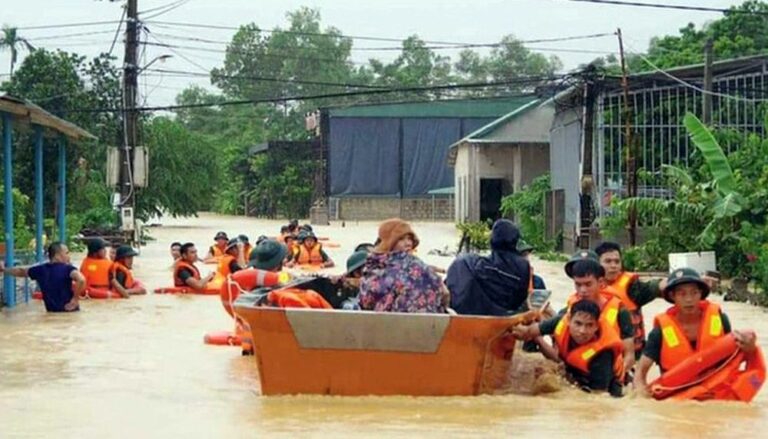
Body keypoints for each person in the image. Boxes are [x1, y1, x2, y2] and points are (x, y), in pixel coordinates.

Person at [633, 268, 758, 397]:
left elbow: (735, 357)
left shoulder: (720, 319)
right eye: (682, 294)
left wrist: (750, 347)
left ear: (701, 294)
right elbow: (640, 372)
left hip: (717, 395)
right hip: (679, 399)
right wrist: (642, 398)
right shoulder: (660, 332)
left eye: (694, 293)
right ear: (672, 296)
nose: (689, 299)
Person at [514, 256, 636, 374]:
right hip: (574, 370)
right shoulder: (570, 312)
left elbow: (629, 356)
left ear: (600, 282)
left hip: (605, 375)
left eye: (588, 284)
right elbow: (528, 331)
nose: (582, 290)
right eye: (578, 284)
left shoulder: (620, 311)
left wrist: (617, 376)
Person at [358, 218, 448, 313]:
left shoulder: (415, 265)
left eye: (409, 239)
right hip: (420, 324)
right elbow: (444, 294)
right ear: (388, 242)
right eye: (401, 239)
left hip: (396, 324)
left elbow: (365, 301)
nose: (408, 243)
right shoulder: (415, 265)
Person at [595, 241, 665, 358]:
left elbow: (655, 286)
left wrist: (682, 282)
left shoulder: (632, 287)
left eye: (617, 261)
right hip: (602, 354)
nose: (614, 266)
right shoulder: (588, 286)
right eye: (608, 261)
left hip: (632, 355)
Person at [446, 219, 531, 316]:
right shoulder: (523, 266)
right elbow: (519, 300)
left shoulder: (467, 263)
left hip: (466, 317)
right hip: (505, 317)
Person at [541, 299, 625, 396]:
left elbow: (599, 396)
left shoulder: (602, 354)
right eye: (578, 323)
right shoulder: (560, 323)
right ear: (568, 321)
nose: (582, 331)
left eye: (589, 325)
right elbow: (528, 331)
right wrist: (538, 339)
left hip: (604, 388)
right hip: (575, 374)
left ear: (596, 326)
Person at [1, 242, 85, 312]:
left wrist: (4, 269)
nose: (68, 256)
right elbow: (81, 279)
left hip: (51, 312)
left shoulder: (40, 270)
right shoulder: (68, 269)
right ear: (57, 255)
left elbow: (20, 271)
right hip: (70, 311)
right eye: (66, 253)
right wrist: (75, 299)